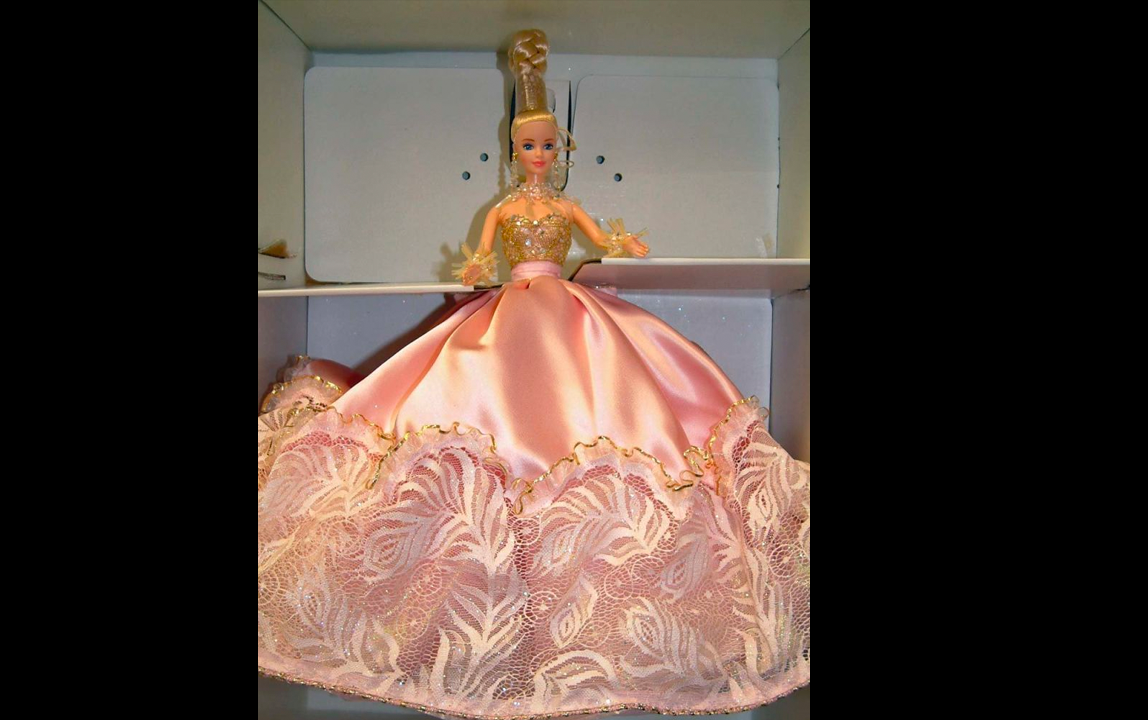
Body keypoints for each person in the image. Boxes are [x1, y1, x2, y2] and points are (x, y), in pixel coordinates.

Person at [258, 29, 809, 720]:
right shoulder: (506, 208)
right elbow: (481, 250)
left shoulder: (560, 206)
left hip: (571, 313)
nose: (539, 155)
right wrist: (471, 267)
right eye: (528, 145)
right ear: (513, 150)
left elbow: (599, 237)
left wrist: (621, 243)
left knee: (603, 409)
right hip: (508, 310)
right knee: (477, 409)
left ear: (560, 150)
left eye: (548, 145)